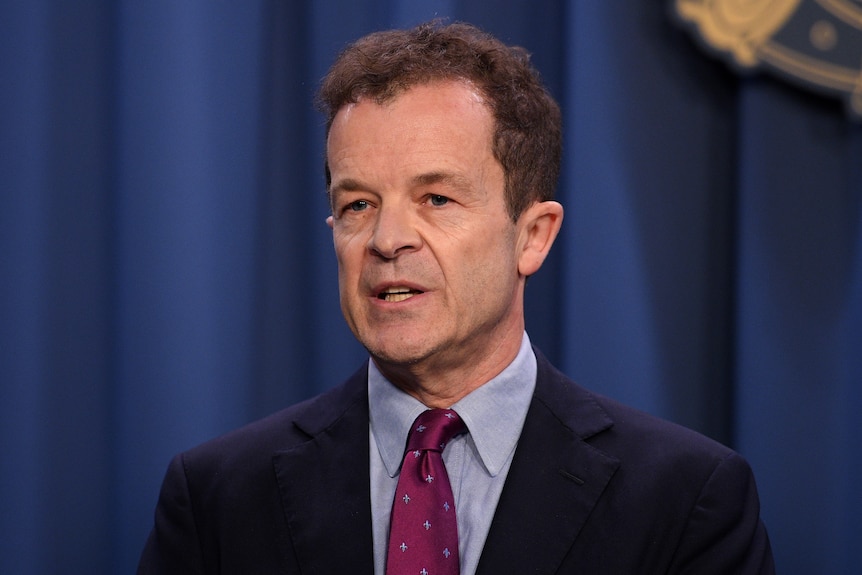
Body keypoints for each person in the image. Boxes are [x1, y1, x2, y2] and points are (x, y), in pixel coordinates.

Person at [137, 20, 774, 574]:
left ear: (532, 236)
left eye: (436, 199)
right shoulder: (219, 496)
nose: (387, 240)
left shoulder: (686, 499)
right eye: (358, 205)